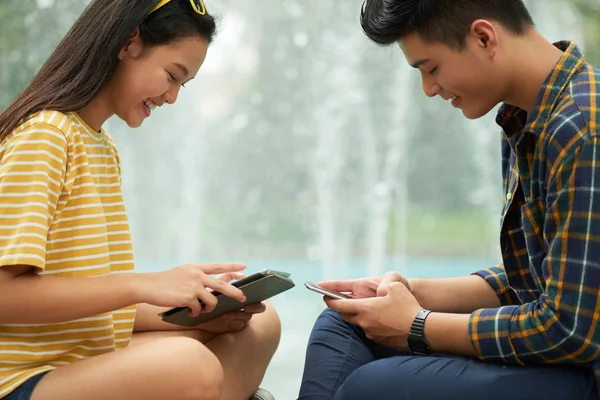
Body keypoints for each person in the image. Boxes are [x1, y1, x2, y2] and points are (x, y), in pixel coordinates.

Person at [297, 1, 600, 399]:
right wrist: (410, 293)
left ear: (483, 37)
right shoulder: (525, 117)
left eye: (431, 68)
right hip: (563, 356)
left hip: (584, 369)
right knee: (341, 323)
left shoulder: (581, 129)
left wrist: (416, 324)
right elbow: (538, 277)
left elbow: (569, 329)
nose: (429, 89)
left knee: (370, 389)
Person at [0, 1, 280, 399]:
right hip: (22, 379)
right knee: (190, 366)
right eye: (172, 76)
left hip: (80, 359)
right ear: (130, 41)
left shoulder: (100, 145)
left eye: (183, 84)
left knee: (258, 325)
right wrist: (141, 284)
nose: (172, 97)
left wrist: (193, 312)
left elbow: (93, 310)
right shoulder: (45, 136)